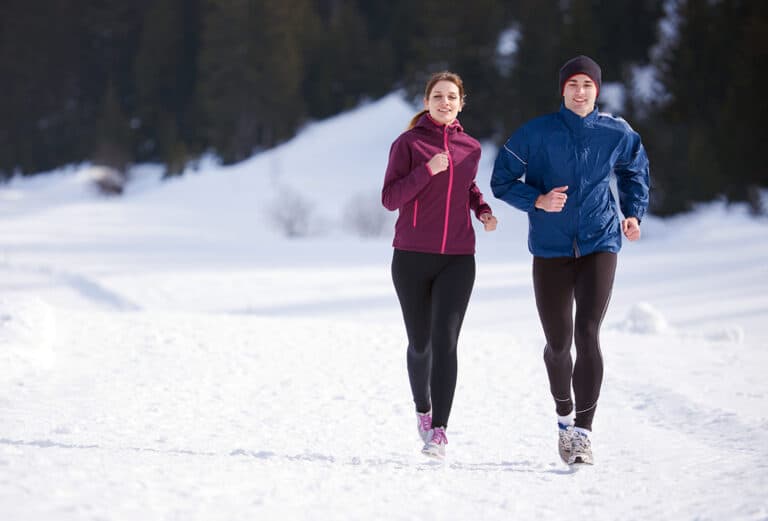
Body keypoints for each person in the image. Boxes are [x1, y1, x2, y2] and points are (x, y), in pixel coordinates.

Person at [491, 56, 650, 465]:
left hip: (600, 242)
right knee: (559, 344)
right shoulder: (536, 133)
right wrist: (537, 201)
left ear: (598, 90)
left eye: (588, 85)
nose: (580, 91)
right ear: (562, 89)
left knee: (589, 334)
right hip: (550, 248)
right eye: (573, 84)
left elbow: (635, 172)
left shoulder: (617, 132)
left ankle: (583, 431)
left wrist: (632, 213)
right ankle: (563, 414)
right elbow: (501, 181)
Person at [382, 71, 498, 458]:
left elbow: (468, 187)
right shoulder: (408, 143)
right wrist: (426, 170)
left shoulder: (471, 147)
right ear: (426, 101)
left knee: (446, 343)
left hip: (458, 259)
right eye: (437, 96)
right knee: (421, 344)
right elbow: (389, 198)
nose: (445, 102)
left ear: (462, 102)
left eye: (452, 96)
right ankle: (423, 410)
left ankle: (441, 431)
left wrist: (482, 210)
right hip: (411, 257)